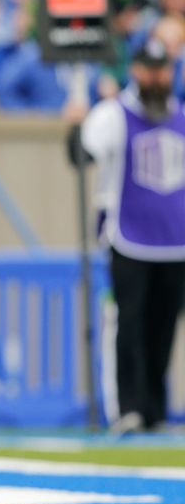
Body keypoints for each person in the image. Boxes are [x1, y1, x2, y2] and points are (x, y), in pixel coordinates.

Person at [79, 37, 185, 434]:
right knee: (131, 323)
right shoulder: (113, 115)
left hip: (175, 241)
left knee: (164, 327)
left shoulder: (180, 115)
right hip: (130, 239)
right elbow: (81, 153)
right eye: (150, 69)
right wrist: (76, 124)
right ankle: (129, 408)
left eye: (164, 70)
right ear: (136, 70)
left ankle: (156, 410)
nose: (157, 78)